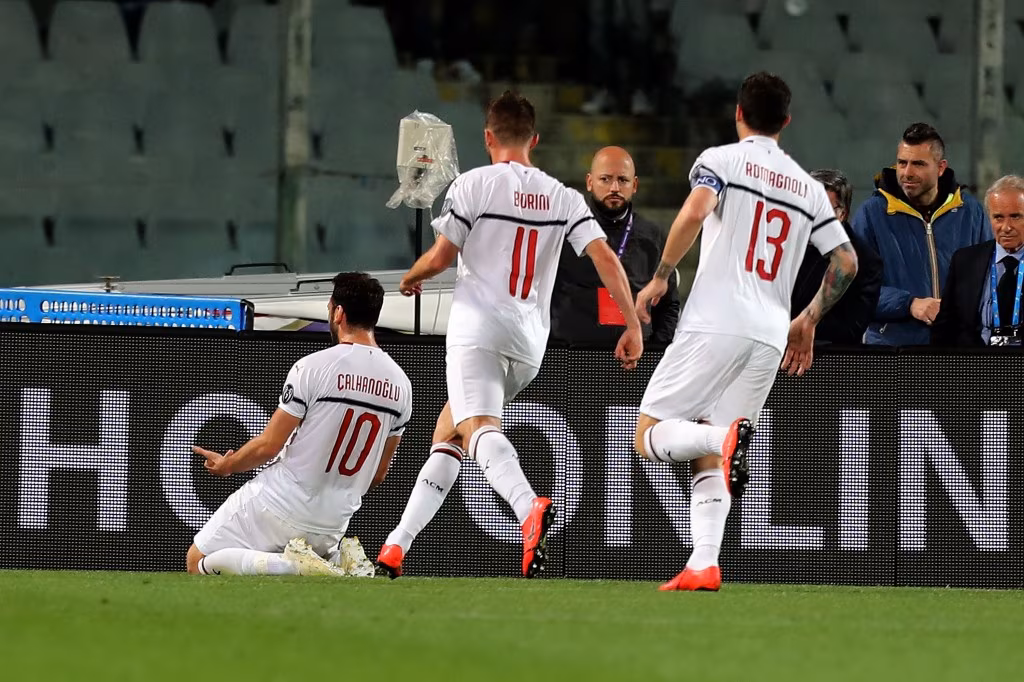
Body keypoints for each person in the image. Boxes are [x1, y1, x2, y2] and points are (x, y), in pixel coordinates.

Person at [377, 91, 643, 579]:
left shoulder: (473, 185)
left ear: (487, 137)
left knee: (479, 427)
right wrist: (632, 324)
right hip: (529, 343)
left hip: (479, 331)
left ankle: (526, 507)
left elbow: (441, 258)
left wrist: (412, 276)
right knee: (450, 432)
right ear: (534, 140)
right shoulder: (563, 196)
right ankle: (396, 546)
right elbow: (606, 258)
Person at [633, 72, 858, 592]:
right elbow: (846, 261)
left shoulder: (722, 160)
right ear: (786, 121)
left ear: (738, 113)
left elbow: (695, 210)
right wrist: (808, 319)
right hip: (770, 333)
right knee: (708, 454)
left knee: (649, 434)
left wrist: (662, 276)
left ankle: (723, 438)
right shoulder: (808, 188)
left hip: (716, 320)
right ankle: (704, 562)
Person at [185, 272, 413, 576]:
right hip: (334, 522)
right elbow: (378, 474)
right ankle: (333, 561)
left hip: (281, 502)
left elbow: (269, 445)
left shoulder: (314, 367)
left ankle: (292, 565)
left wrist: (228, 465)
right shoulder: (401, 385)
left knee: (198, 559)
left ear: (339, 312)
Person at [852, 123, 991, 346]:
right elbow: (856, 290)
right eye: (902, 163)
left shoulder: (971, 212)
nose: (907, 173)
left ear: (941, 167)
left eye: (918, 164)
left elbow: (988, 282)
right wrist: (909, 304)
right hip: (892, 349)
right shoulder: (871, 214)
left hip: (956, 348)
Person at [551, 146, 680, 346]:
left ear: (634, 185)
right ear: (589, 182)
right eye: (605, 179)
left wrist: (654, 352)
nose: (614, 188)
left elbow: (668, 305)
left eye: (623, 180)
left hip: (634, 357)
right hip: (569, 355)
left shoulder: (653, 237)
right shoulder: (564, 232)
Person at [790, 168, 884, 344]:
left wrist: (797, 327)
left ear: (842, 214)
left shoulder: (866, 260)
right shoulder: (782, 245)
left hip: (831, 356)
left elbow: (851, 327)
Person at [932, 175, 1024, 347]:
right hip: (976, 360)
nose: (1006, 227)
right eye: (998, 217)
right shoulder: (965, 261)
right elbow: (945, 327)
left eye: (1016, 216)